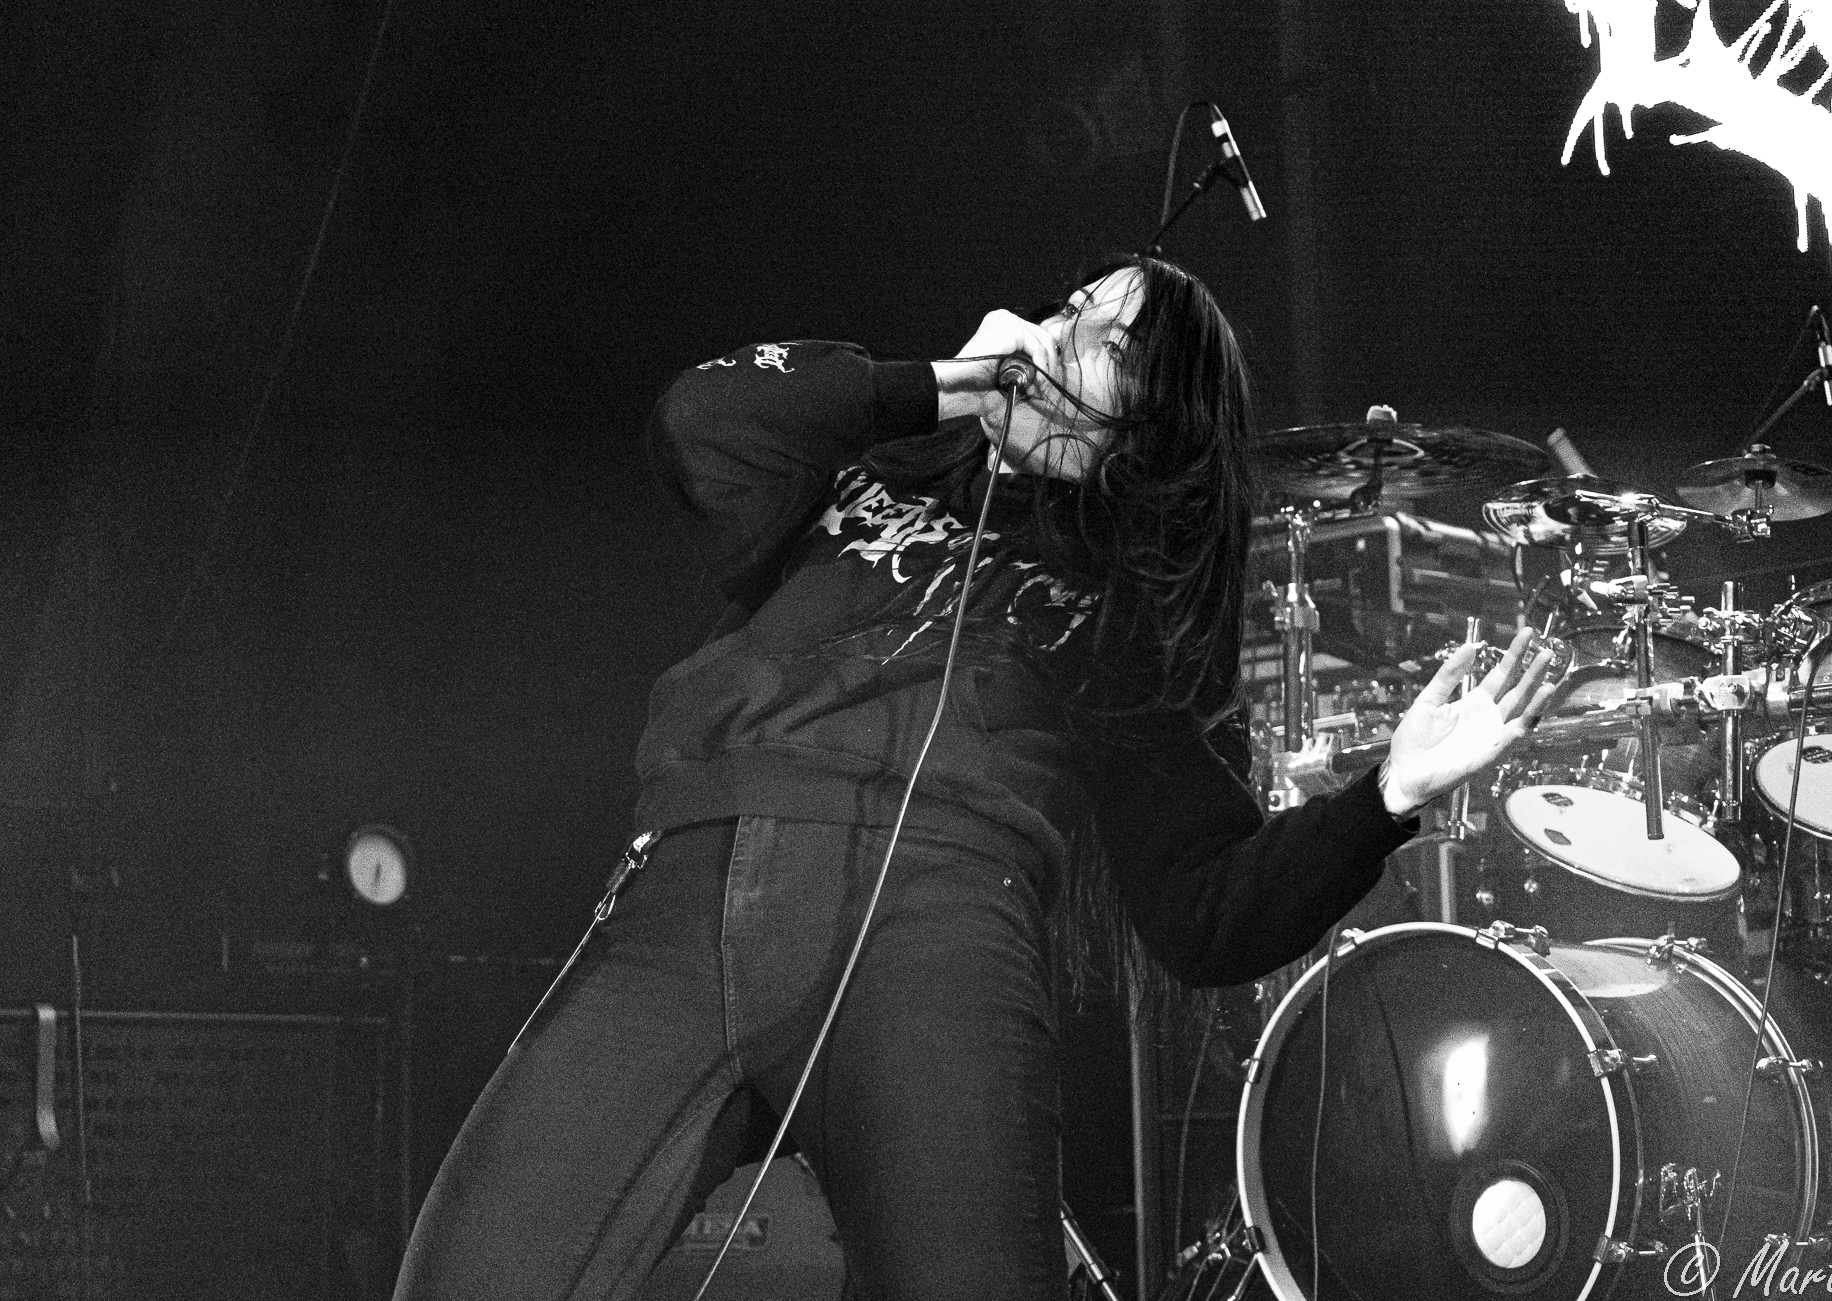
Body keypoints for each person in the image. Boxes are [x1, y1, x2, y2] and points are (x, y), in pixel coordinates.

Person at [392, 256, 1554, 1300]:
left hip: (936, 933)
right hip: (693, 887)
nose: (1060, 332)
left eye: (1108, 339)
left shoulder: (1128, 613)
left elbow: (1202, 913)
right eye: (1069, 306)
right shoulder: (866, 473)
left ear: (1149, 424)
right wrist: (949, 384)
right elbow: (702, 417)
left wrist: (1385, 797)